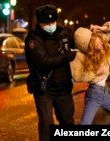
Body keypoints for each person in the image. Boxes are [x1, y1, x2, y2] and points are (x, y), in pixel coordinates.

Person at [24, 4, 76, 141]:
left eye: (53, 21)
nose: (50, 25)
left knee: (67, 121)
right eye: (46, 23)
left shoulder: (64, 33)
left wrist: (94, 31)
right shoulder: (33, 39)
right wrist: (66, 56)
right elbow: (43, 62)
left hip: (63, 87)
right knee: (47, 124)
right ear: (39, 22)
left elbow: (83, 42)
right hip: (43, 88)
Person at [70, 21, 110, 125]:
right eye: (98, 43)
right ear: (91, 46)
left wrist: (102, 28)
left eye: (100, 41)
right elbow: (77, 77)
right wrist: (96, 72)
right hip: (94, 94)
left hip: (104, 92)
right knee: (85, 124)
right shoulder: (79, 55)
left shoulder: (100, 40)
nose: (102, 43)